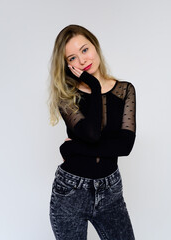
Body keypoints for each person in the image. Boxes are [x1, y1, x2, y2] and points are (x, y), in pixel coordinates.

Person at [48, 24, 136, 240]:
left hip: (110, 192)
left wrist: (73, 147)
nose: (82, 60)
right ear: (67, 65)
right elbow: (93, 134)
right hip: (70, 192)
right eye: (72, 58)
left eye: (85, 50)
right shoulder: (67, 96)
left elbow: (125, 146)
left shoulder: (125, 90)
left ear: (95, 46)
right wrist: (94, 87)